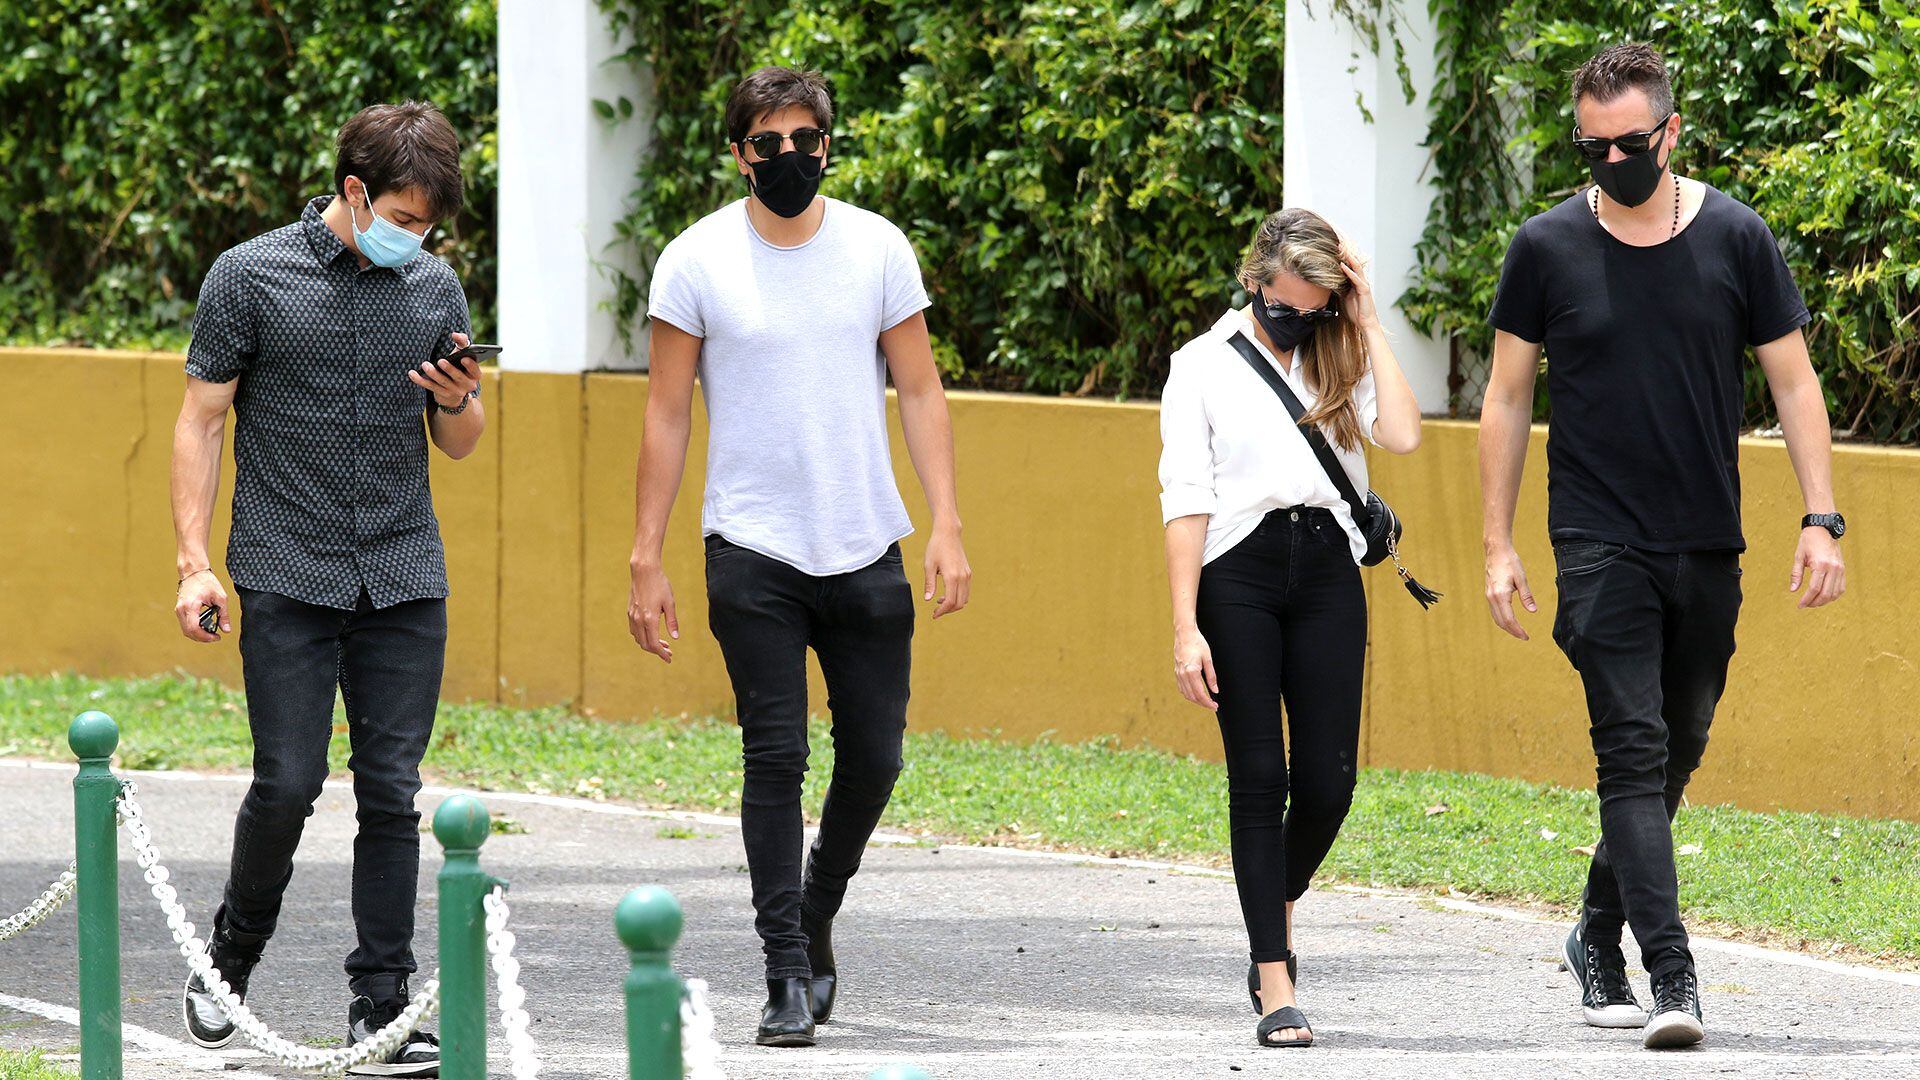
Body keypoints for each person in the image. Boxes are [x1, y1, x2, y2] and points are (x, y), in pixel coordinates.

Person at [1480, 43, 1845, 1050]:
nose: (1610, 161)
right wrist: (1496, 544)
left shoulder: (1736, 237)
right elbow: (1507, 397)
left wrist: (1822, 517)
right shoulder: (1544, 248)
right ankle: (1672, 977)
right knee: (1631, 749)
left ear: (1671, 133)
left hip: (1703, 540)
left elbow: (1795, 382)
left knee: (1679, 740)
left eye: (1629, 144)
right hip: (1596, 539)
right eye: (1590, 146)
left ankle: (1596, 926)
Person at [626, 65, 973, 1048]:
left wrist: (945, 521)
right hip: (752, 548)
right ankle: (784, 970)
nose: (790, 158)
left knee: (875, 758)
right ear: (738, 152)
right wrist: (645, 556)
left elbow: (921, 389)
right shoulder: (694, 262)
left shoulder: (876, 248)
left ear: (829, 144)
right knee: (773, 757)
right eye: (768, 143)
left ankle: (817, 908)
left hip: (865, 544)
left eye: (805, 140)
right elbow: (665, 415)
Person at [170, 100, 484, 1075]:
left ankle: (380, 1007)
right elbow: (200, 421)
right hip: (287, 570)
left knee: (391, 793)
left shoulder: (434, 287)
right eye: (404, 214)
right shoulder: (250, 275)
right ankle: (228, 962)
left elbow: (461, 441)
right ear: (355, 190)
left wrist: (461, 398)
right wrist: (194, 561)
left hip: (402, 574)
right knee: (290, 781)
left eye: (430, 222)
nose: (418, 236)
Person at [1158, 208, 1422, 1048]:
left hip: (1327, 571)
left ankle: (1271, 905)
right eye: (1286, 305)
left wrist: (1366, 320)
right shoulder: (1199, 366)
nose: (1297, 323)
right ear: (1254, 279)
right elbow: (1186, 500)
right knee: (1257, 777)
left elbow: (1405, 435)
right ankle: (1275, 982)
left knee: (1330, 784)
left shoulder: (1339, 351)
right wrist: (1181, 628)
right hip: (1234, 572)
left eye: (1317, 308)